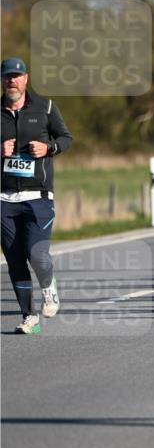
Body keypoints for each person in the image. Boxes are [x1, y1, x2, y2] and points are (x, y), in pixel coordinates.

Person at [1, 56, 72, 334]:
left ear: (26, 78)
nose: (12, 81)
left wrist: (48, 148)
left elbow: (66, 138)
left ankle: (49, 288)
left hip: (38, 195)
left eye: (16, 76)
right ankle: (29, 316)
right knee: (15, 259)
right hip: (4, 199)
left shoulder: (46, 107)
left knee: (38, 254)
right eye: (7, 76)